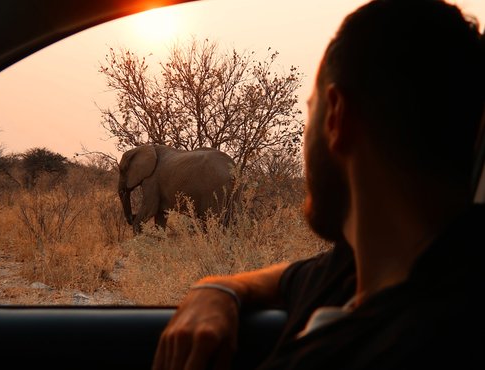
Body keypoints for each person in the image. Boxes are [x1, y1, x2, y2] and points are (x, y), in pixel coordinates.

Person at [152, 0, 485, 369]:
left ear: (336, 118)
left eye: (311, 111)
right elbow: (286, 279)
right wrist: (220, 288)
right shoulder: (361, 267)